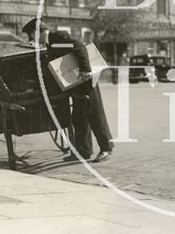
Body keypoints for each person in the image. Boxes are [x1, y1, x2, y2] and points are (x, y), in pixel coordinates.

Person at [21, 18, 114, 163]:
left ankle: (106, 148)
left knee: (94, 114)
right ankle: (84, 151)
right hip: (76, 83)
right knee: (79, 117)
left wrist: (85, 69)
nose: (31, 39)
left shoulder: (57, 38)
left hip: (87, 81)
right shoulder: (50, 43)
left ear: (36, 32)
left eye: (31, 36)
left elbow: (79, 46)